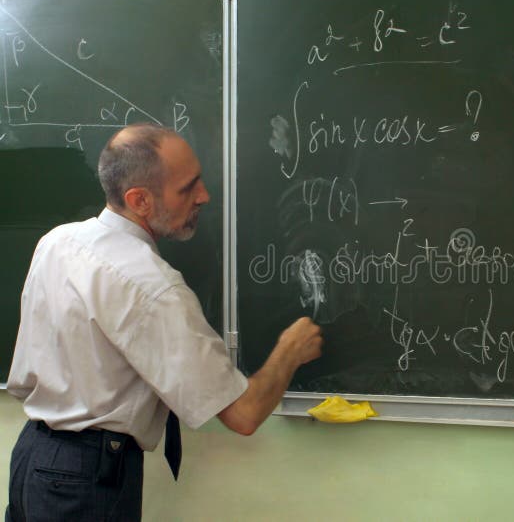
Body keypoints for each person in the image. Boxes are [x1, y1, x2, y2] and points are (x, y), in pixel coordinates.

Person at [5, 123, 324, 521]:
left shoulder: (57, 241)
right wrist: (289, 351)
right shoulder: (152, 288)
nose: (204, 196)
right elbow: (244, 415)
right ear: (139, 199)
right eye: (187, 188)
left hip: (32, 460)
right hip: (84, 482)